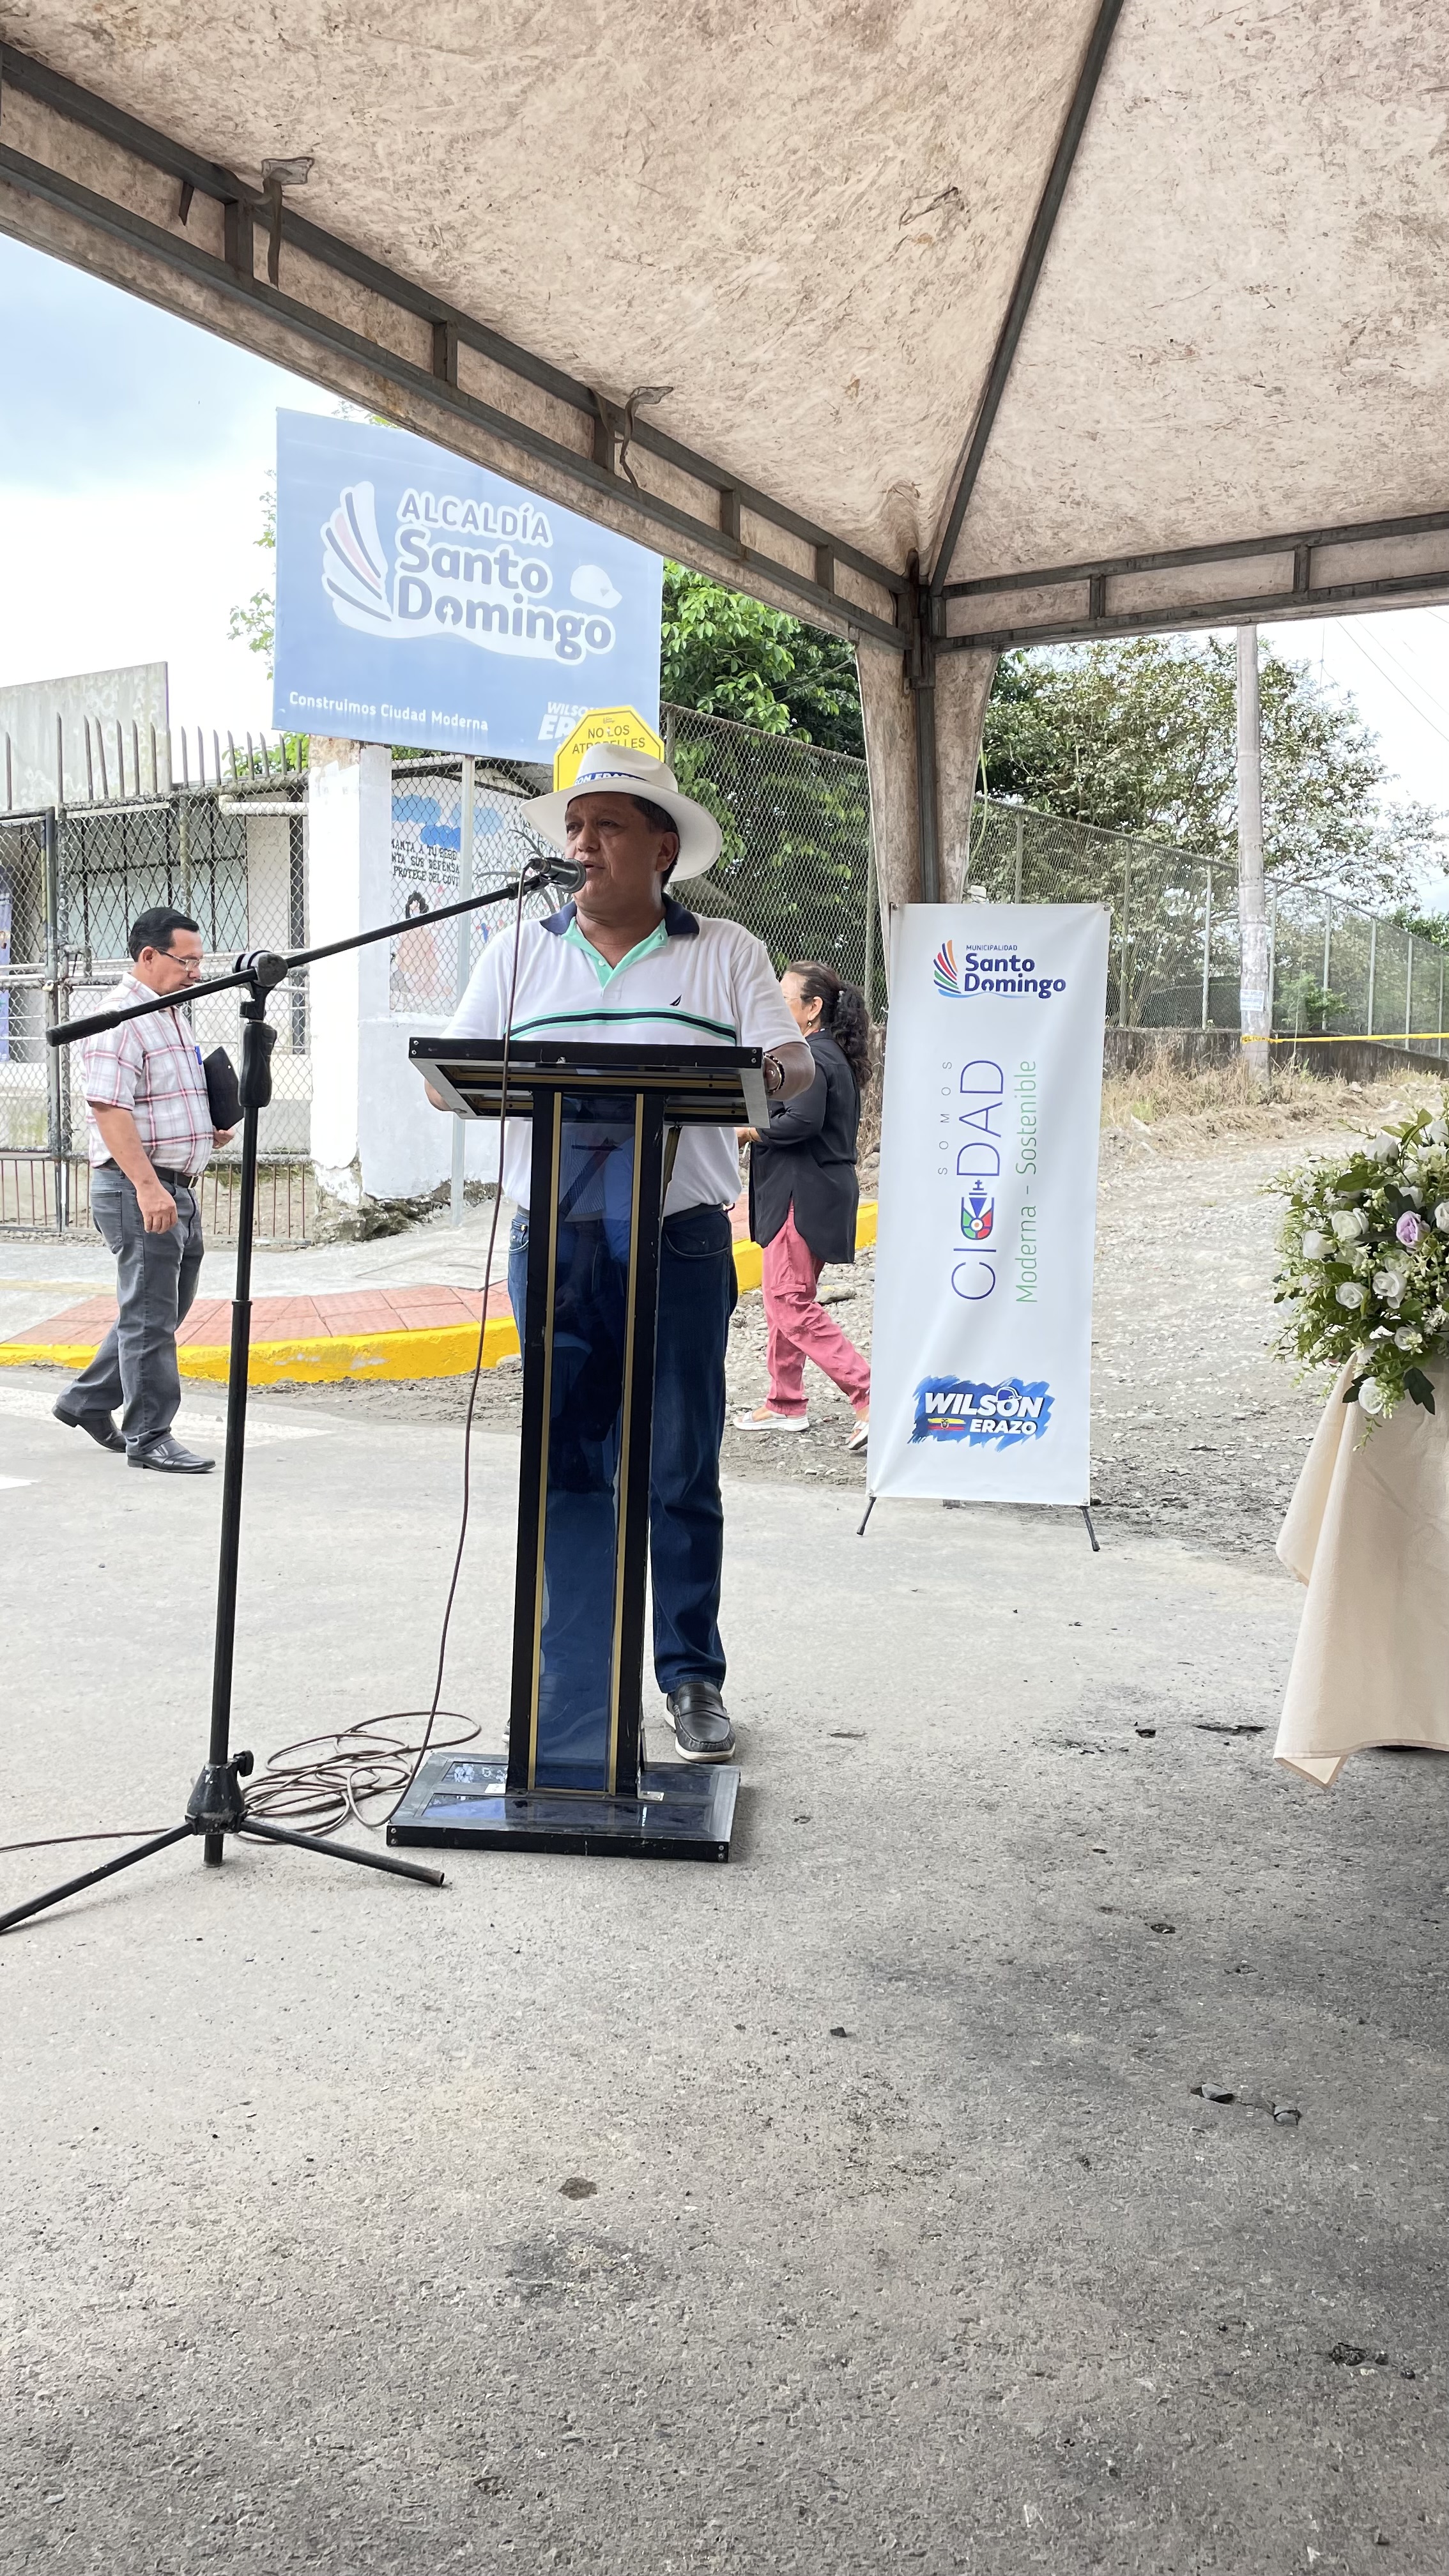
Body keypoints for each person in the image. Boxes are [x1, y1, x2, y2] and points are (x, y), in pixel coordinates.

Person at [431, 742, 813, 1763]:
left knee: (680, 1464)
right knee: (570, 1468)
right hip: (555, 1244)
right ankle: (575, 1685)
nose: (583, 842)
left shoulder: (726, 951)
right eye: (575, 825)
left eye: (608, 825)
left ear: (663, 848)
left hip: (678, 1243)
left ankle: (690, 1676)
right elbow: (444, 1078)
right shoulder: (517, 951)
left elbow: (792, 1063)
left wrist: (742, 1073)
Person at [54, 907, 233, 1473]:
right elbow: (110, 1110)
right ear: (149, 956)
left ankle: (86, 1400)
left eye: (200, 961)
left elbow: (157, 1098)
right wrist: (150, 1188)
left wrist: (204, 1129)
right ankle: (150, 1435)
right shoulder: (120, 1018)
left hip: (174, 1184)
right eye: (187, 961)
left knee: (160, 1308)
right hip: (141, 1188)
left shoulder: (169, 1012)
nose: (196, 972)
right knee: (151, 1317)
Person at [734, 960, 873, 1450]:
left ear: (813, 1008)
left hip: (802, 1192)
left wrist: (748, 1131)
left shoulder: (812, 1057)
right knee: (785, 1296)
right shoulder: (824, 1053)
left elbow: (801, 1122)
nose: (772, 1005)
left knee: (788, 1301)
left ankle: (870, 1393)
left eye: (783, 999)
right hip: (814, 1189)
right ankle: (784, 1401)